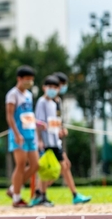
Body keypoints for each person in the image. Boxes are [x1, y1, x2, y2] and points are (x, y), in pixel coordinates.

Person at [53, 71, 91, 205]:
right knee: (54, 168)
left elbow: (57, 120)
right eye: (61, 85)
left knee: (64, 165)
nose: (63, 87)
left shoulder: (58, 101)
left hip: (56, 140)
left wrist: (61, 128)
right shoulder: (48, 101)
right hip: (49, 140)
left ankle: (74, 194)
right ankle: (39, 193)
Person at [5, 65, 40, 208]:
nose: (29, 82)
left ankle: (14, 188)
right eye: (27, 80)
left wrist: (37, 125)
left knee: (35, 165)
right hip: (18, 135)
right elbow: (10, 116)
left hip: (30, 133)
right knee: (20, 165)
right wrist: (16, 133)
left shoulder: (29, 95)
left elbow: (28, 115)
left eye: (31, 80)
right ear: (19, 79)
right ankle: (17, 198)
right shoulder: (12, 94)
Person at [30, 75, 64, 207]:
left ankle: (40, 192)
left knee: (59, 168)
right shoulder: (41, 102)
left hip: (55, 140)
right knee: (46, 170)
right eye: (50, 87)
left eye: (55, 87)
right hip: (45, 141)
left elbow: (54, 122)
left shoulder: (54, 103)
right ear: (44, 88)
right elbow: (38, 121)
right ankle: (41, 195)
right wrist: (39, 140)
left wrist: (60, 130)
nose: (52, 90)